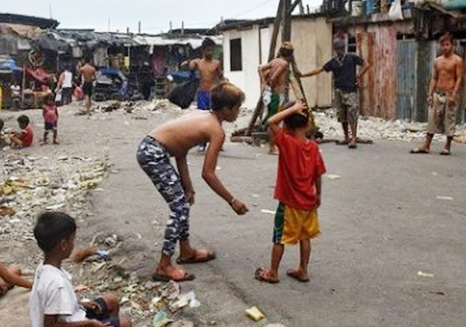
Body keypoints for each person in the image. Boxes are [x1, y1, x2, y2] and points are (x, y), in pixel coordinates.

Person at [137, 83, 249, 282]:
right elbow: (208, 173)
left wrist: (188, 187)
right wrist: (232, 201)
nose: (238, 113)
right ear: (226, 110)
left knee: (183, 201)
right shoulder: (216, 131)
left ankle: (186, 249)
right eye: (237, 108)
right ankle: (164, 265)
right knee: (179, 207)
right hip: (153, 154)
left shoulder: (202, 114)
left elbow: (181, 151)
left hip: (151, 148)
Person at [29, 212, 133, 327]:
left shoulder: (46, 268)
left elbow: (56, 305)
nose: (74, 244)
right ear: (63, 245)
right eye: (72, 239)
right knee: (125, 325)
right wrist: (89, 323)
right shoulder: (56, 283)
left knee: (111, 301)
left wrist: (82, 304)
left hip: (69, 320)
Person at [255, 101, 326, 283]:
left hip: (289, 202)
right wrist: (318, 194)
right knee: (305, 236)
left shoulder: (287, 143)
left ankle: (273, 272)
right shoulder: (313, 146)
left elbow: (271, 122)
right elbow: (318, 173)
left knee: (279, 238)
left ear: (286, 126)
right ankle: (303, 269)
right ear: (308, 124)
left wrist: (291, 110)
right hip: (308, 202)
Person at [301, 38, 370, 149]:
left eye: (342, 48)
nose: (340, 50)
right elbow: (319, 70)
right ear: (335, 49)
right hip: (339, 90)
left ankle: (353, 138)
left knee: (352, 114)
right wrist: (304, 75)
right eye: (338, 48)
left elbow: (366, 64)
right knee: (342, 114)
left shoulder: (351, 57)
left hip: (351, 89)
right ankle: (346, 137)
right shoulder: (333, 62)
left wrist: (359, 75)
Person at [411, 32, 465, 155]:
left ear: (452, 45)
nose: (445, 47)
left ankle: (447, 146)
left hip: (449, 93)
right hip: (438, 93)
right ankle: (426, 145)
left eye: (447, 44)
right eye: (442, 45)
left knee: (449, 120)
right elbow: (434, 78)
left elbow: (459, 78)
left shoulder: (457, 60)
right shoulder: (438, 61)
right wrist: (430, 94)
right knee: (432, 119)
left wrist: (454, 94)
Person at [258, 42, 301, 154]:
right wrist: (271, 87)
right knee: (275, 121)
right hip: (277, 95)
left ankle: (274, 145)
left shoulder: (275, 61)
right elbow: (274, 78)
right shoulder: (284, 64)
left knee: (273, 119)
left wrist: (264, 84)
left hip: (273, 94)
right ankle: (272, 147)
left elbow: (260, 68)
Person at [187, 38, 223, 112]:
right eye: (208, 50)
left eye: (212, 50)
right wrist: (190, 62)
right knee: (202, 115)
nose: (210, 53)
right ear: (203, 51)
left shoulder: (216, 63)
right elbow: (189, 67)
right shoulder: (198, 63)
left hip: (213, 93)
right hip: (202, 93)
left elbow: (221, 77)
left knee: (214, 114)